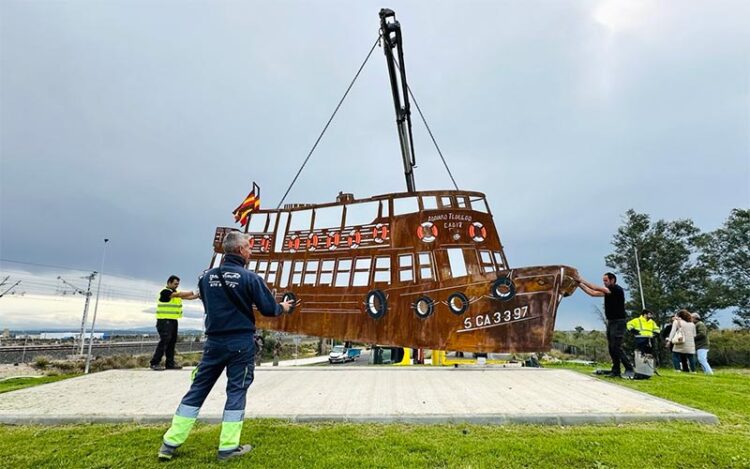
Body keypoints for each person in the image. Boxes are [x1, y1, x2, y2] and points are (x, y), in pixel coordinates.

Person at [157, 231, 294, 461]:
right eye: (249, 247)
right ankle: (228, 447)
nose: (251, 251)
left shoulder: (205, 277)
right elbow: (270, 309)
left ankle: (169, 443)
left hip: (213, 343)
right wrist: (284, 307)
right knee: (237, 391)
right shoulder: (251, 278)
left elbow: (200, 296)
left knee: (197, 389)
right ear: (240, 250)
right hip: (241, 343)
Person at [577, 272, 635, 378]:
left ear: (612, 280)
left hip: (619, 322)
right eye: (603, 281)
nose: (604, 283)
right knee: (611, 347)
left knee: (616, 347)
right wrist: (578, 284)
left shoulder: (616, 289)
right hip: (611, 322)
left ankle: (629, 368)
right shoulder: (608, 292)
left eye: (606, 280)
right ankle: (616, 370)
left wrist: (581, 279)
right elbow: (592, 293)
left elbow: (594, 287)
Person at [150, 275, 199, 371]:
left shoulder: (175, 293)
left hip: (173, 320)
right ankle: (154, 363)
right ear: (169, 283)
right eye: (175, 284)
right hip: (164, 320)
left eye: (178, 284)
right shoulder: (165, 292)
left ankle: (170, 363)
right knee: (165, 340)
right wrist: (193, 292)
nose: (177, 286)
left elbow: (189, 297)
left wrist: (198, 295)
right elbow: (180, 295)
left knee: (172, 342)